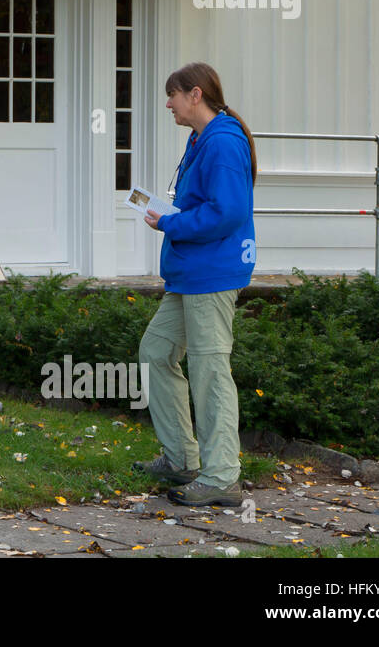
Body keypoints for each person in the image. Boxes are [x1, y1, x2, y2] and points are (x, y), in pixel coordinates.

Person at [131, 62, 256, 507]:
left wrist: (171, 222)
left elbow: (229, 212)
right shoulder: (203, 139)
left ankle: (222, 477)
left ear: (196, 94)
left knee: (210, 371)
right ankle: (183, 458)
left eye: (173, 96)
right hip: (191, 274)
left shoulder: (222, 142)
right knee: (156, 351)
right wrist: (173, 218)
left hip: (211, 274)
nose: (169, 104)